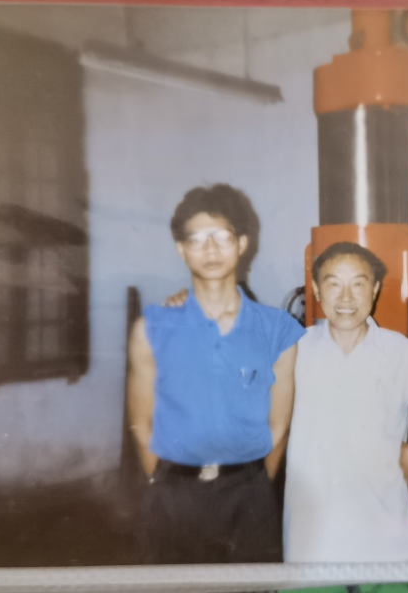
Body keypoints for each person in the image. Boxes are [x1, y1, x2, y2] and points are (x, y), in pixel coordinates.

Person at [126, 184, 305, 564]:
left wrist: (255, 484)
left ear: (242, 243)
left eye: (222, 236)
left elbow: (278, 426)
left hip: (249, 499)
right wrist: (164, 482)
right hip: (173, 497)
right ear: (181, 248)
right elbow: (142, 423)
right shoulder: (152, 329)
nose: (210, 249)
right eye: (196, 238)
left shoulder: (278, 331)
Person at [283, 242, 408, 563]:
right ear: (316, 290)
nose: (346, 298)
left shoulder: (402, 354)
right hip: (311, 546)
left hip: (387, 546)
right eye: (334, 284)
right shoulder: (294, 351)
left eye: (358, 284)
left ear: (374, 290)